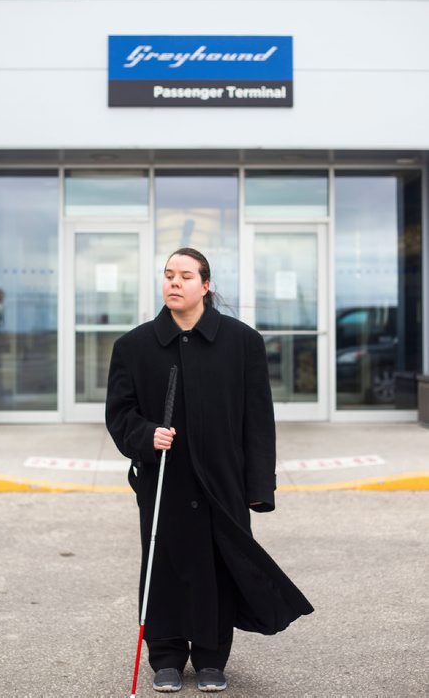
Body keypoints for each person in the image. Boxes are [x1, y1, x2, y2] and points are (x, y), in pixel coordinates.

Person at [105, 247, 313, 693]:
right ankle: (164, 655)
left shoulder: (242, 343)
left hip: (224, 482)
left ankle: (212, 657)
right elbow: (119, 414)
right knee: (165, 563)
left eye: (184, 275)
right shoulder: (134, 346)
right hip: (164, 480)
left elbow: (258, 421)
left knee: (219, 568)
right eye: (168, 275)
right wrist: (146, 436)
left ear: (205, 285)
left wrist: (258, 488)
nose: (174, 283)